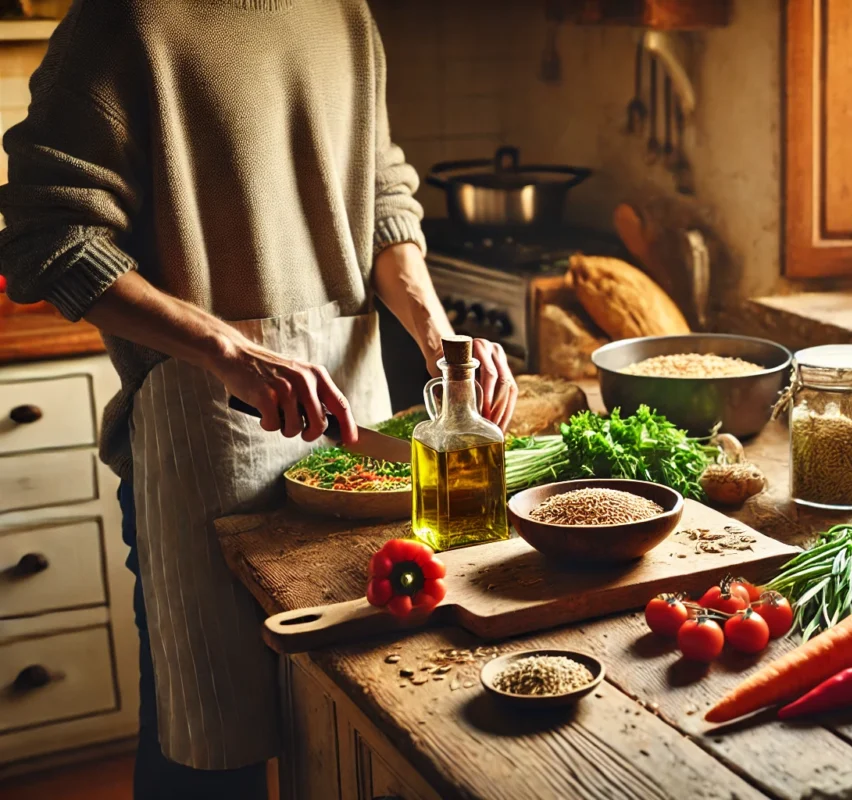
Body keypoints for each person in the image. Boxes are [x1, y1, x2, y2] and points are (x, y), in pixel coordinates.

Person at [0, 2, 516, 796]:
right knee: (208, 749)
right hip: (203, 428)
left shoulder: (344, 12)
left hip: (356, 417)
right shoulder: (122, 22)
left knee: (353, 716)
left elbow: (382, 199)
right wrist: (228, 349)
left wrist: (442, 339)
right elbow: (51, 239)